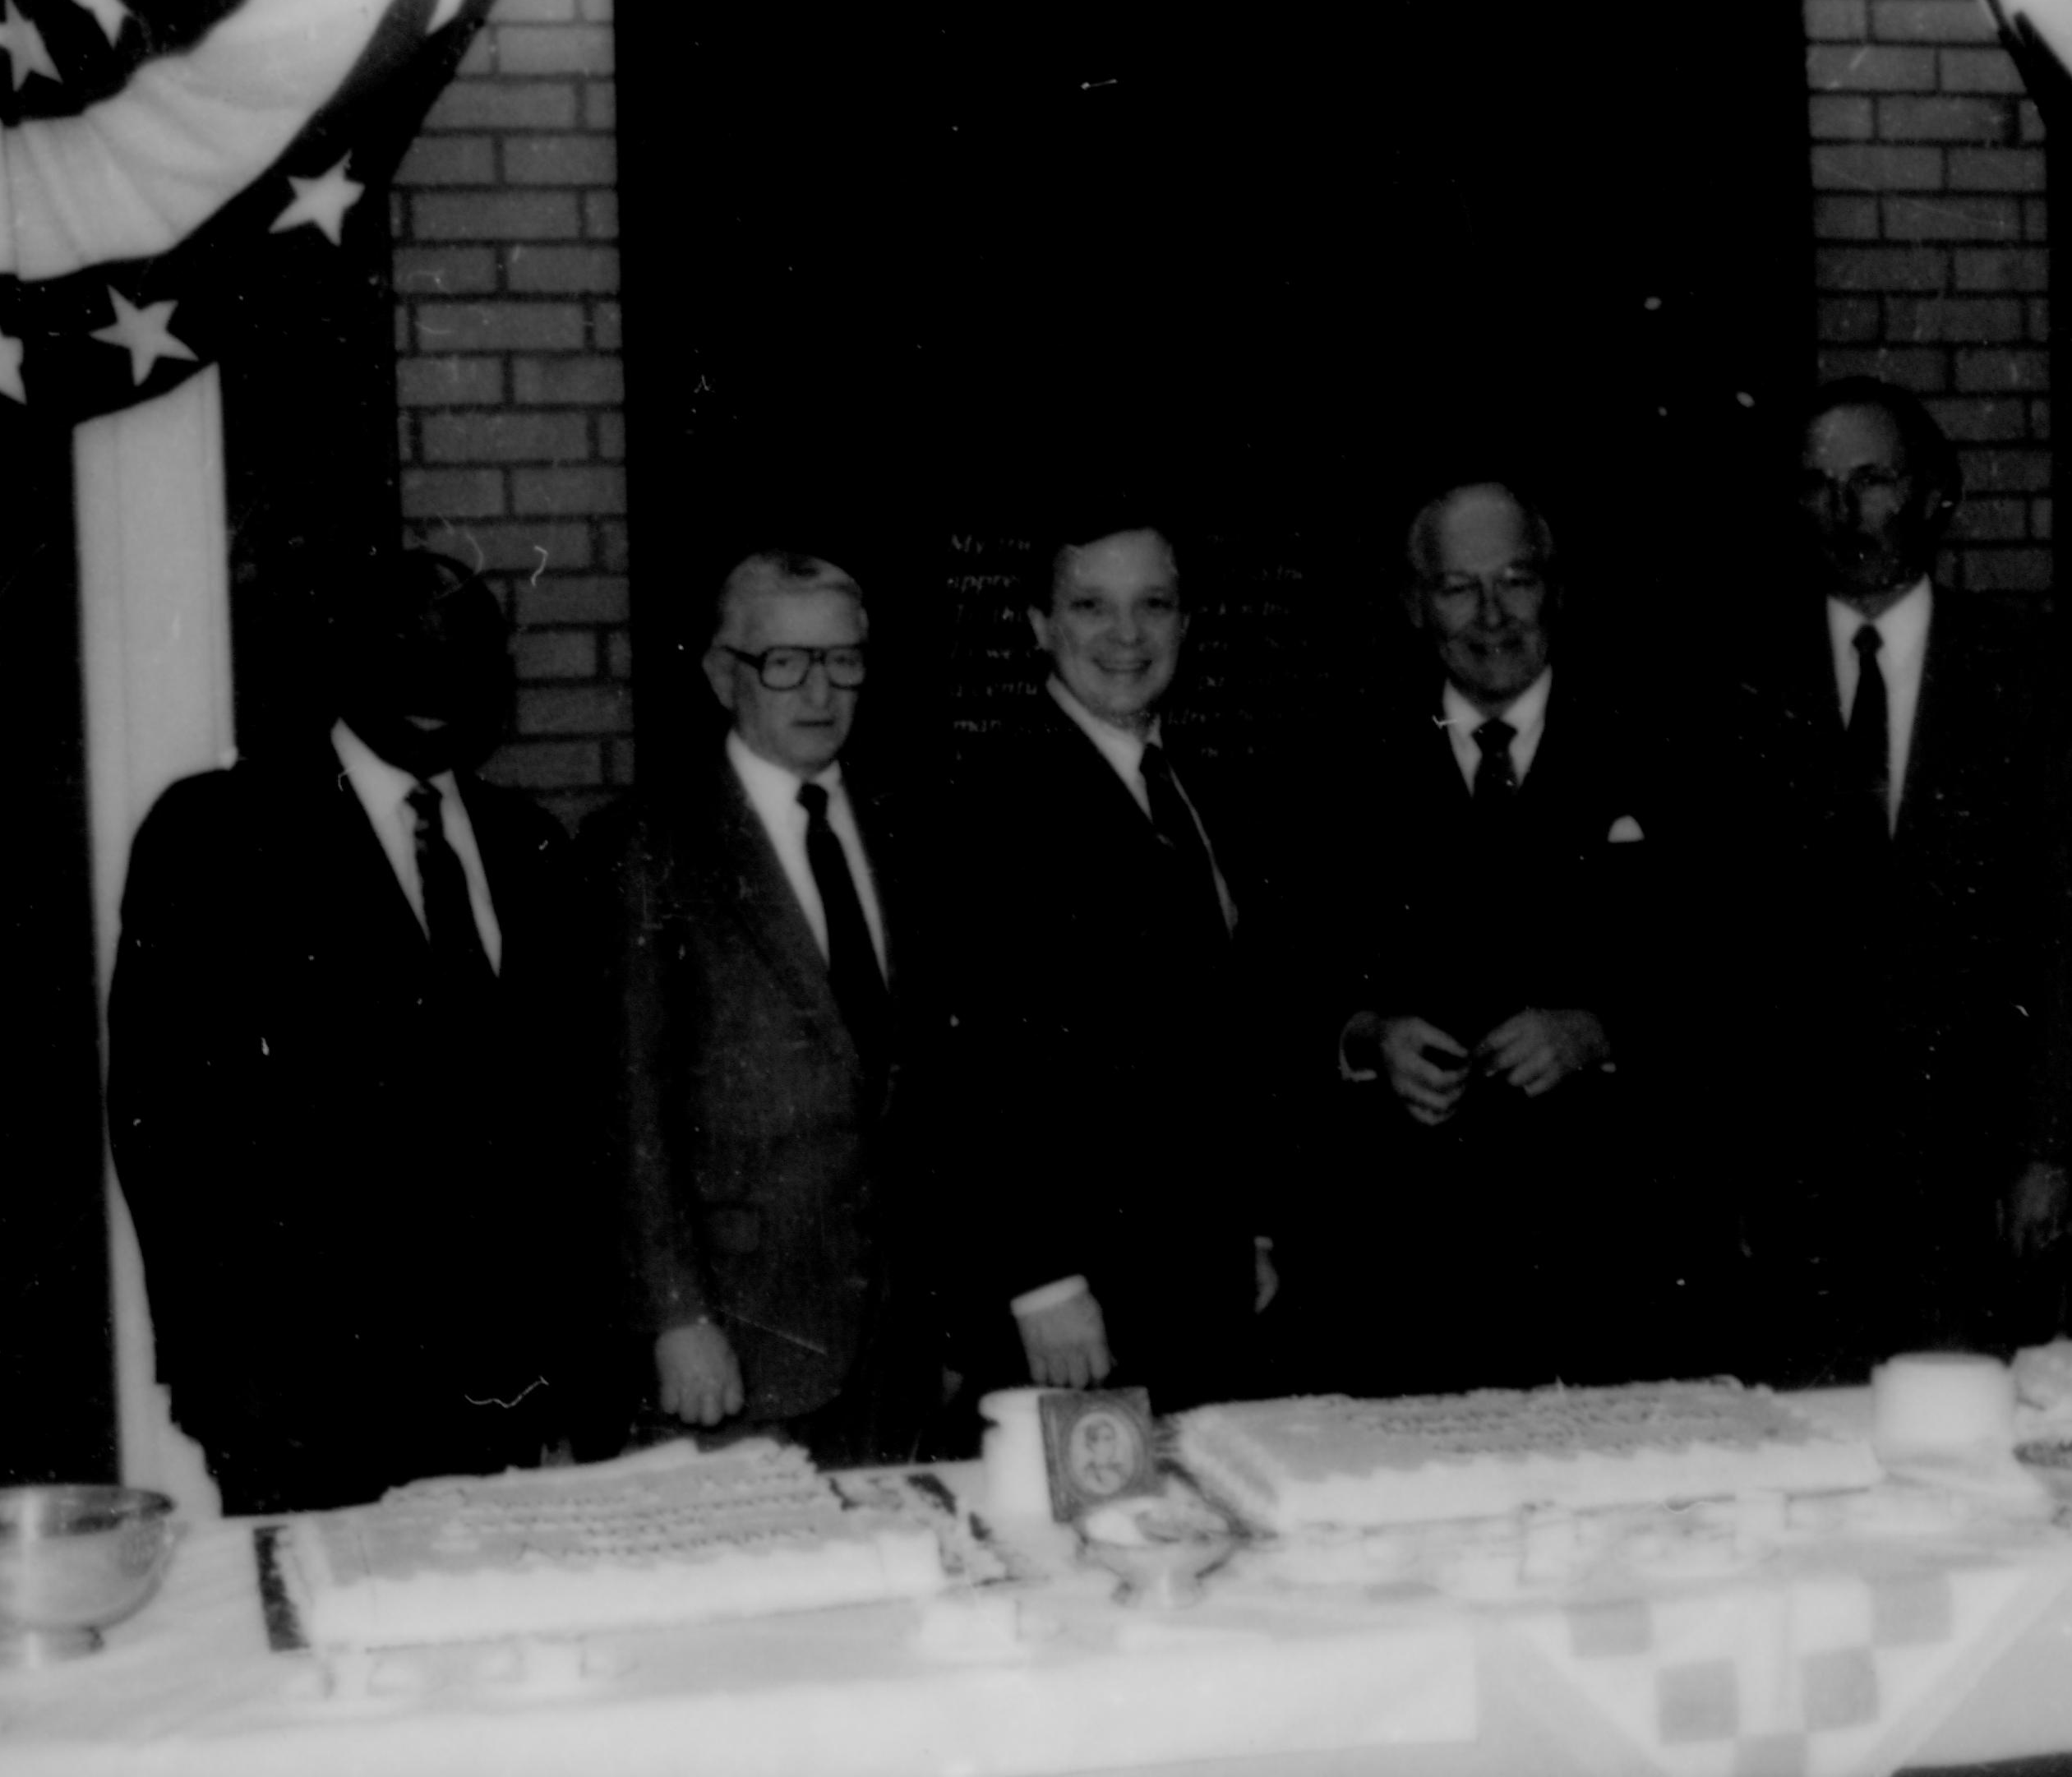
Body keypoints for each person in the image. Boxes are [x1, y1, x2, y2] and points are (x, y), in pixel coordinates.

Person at [108, 547, 593, 1516]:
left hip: (497, 1387)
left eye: (462, 661)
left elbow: (561, 1123)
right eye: (401, 656)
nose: (432, 688)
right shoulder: (219, 832)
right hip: (300, 1393)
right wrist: (225, 1370)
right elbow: (163, 1124)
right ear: (341, 662)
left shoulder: (531, 846)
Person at [1294, 480, 1689, 1395]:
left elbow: (1728, 964)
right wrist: (1368, 1038)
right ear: (1413, 604)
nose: (1490, 615)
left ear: (1554, 588)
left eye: (1513, 581)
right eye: (1456, 587)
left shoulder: (1664, 742)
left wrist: (1599, 1030)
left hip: (1616, 1253)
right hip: (1408, 1266)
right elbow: (1289, 973)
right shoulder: (1343, 756)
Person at [1726, 378, 2072, 1379]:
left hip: (1978, 1177)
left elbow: (2064, 928)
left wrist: (2044, 1150)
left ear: (1932, 495)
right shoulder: (1747, 682)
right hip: (1806, 1185)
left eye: (1872, 480)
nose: (1846, 512)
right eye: (1820, 486)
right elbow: (1727, 945)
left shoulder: (2024, 670)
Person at [591, 550, 940, 1465]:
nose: (817, 690)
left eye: (842, 660)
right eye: (783, 661)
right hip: (738, 1334)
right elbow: (631, 1108)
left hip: (896, 1334)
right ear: (721, 675)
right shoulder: (650, 847)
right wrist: (675, 1317)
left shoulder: (901, 823)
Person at [944, 520, 1280, 1415]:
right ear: (1036, 626)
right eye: (1091, 607)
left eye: (1152, 605)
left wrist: (1243, 1229)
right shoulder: (991, 801)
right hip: (1072, 1312)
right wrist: (1039, 1280)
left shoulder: (1197, 786)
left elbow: (1219, 1035)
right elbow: (979, 1064)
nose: (1126, 636)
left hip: (1197, 1281)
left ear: (1185, 624)